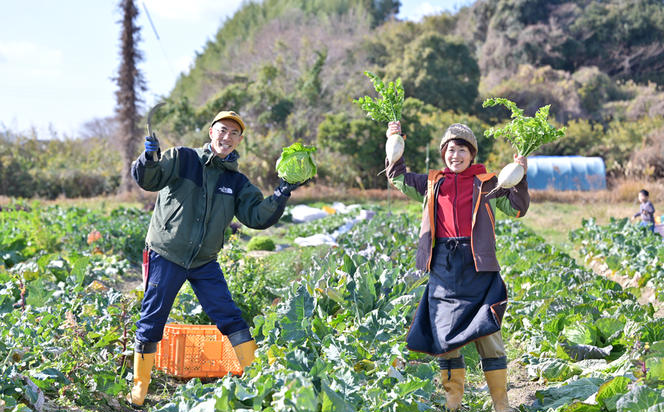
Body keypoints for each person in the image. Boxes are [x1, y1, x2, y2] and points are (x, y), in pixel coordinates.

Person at [126, 110, 302, 407]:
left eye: (234, 134)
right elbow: (149, 180)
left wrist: (282, 192)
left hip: (204, 261)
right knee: (152, 319)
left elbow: (257, 216)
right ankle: (140, 387)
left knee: (229, 316)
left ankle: (256, 377)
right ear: (211, 132)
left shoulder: (236, 182)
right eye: (222, 130)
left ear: (239, 141)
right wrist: (148, 158)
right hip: (167, 252)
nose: (227, 137)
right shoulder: (182, 159)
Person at [384, 121, 529, 412]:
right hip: (444, 269)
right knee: (445, 337)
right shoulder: (432, 182)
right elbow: (396, 176)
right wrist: (393, 139)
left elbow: (517, 208)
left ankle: (501, 404)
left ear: (471, 154)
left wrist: (520, 174)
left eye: (462, 150)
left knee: (488, 333)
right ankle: (453, 403)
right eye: (451, 150)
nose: (456, 155)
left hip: (479, 267)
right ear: (444, 153)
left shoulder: (490, 183)